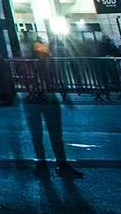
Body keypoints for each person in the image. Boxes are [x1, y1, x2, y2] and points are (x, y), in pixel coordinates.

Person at [19, 42, 83, 178]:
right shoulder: (44, 63)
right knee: (52, 134)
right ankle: (58, 163)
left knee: (41, 135)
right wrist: (65, 96)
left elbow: (56, 79)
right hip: (43, 99)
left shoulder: (29, 63)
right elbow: (57, 80)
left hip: (34, 100)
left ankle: (44, 164)